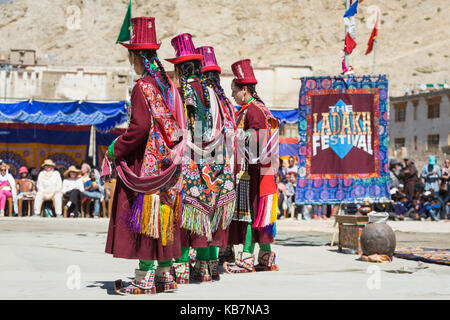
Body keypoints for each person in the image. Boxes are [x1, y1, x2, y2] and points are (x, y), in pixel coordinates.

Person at [105, 17, 185, 295]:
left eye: (130, 54)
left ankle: (144, 279)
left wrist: (116, 148)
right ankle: (165, 275)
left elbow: (139, 129)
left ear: (135, 55)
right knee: (163, 215)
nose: (130, 60)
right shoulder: (167, 86)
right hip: (170, 164)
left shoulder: (143, 87)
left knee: (145, 217)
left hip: (148, 165)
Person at [166, 35, 235, 283]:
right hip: (216, 159)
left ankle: (183, 266)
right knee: (209, 215)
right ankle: (207, 266)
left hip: (193, 159)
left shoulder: (182, 92)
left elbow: (178, 127)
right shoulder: (212, 93)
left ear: (179, 69)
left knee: (188, 216)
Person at [223, 59, 279, 273]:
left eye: (234, 90)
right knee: (260, 214)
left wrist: (236, 136)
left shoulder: (253, 110)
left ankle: (246, 259)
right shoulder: (258, 108)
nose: (233, 95)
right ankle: (266, 258)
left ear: (244, 89)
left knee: (249, 214)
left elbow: (258, 138)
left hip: (253, 172)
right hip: (263, 171)